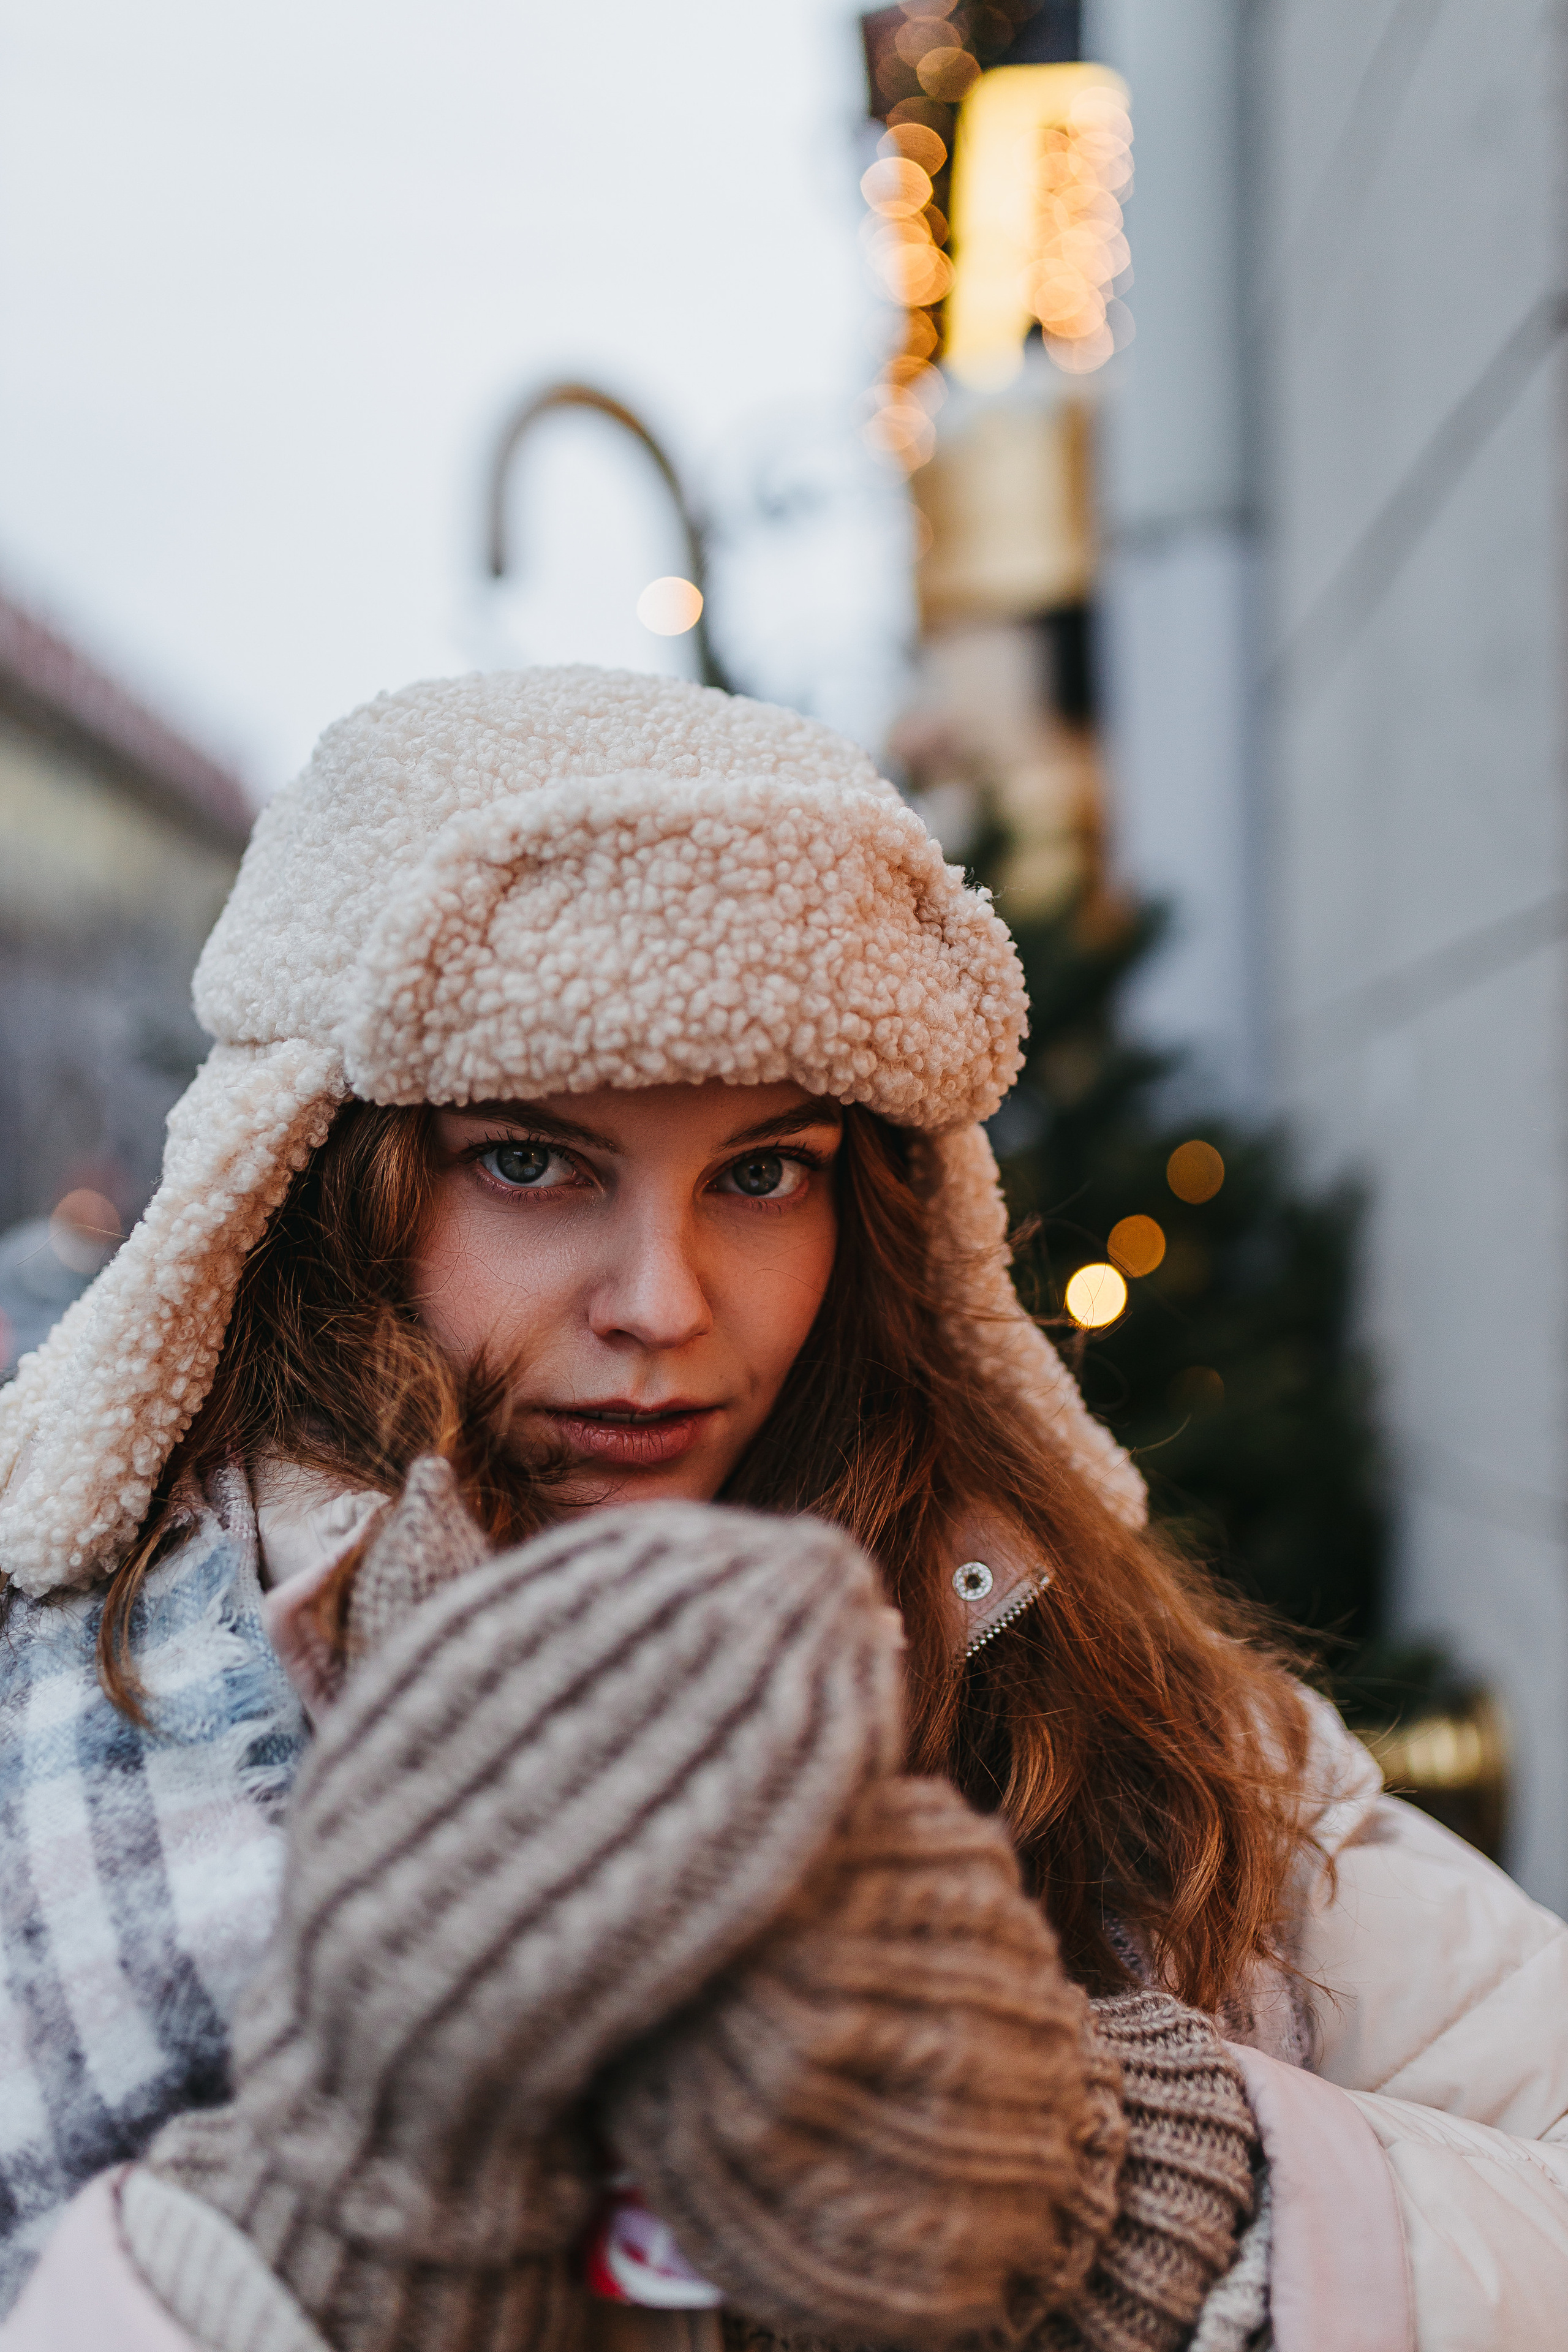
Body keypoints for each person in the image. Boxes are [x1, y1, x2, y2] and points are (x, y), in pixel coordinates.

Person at [0, 668, 1563, 2352]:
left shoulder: (1049, 1626)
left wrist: (1108, 2186)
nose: (664, 1304)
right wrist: (310, 2246)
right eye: (530, 1161)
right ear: (321, 1182)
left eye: (762, 1174)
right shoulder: (97, 1704)